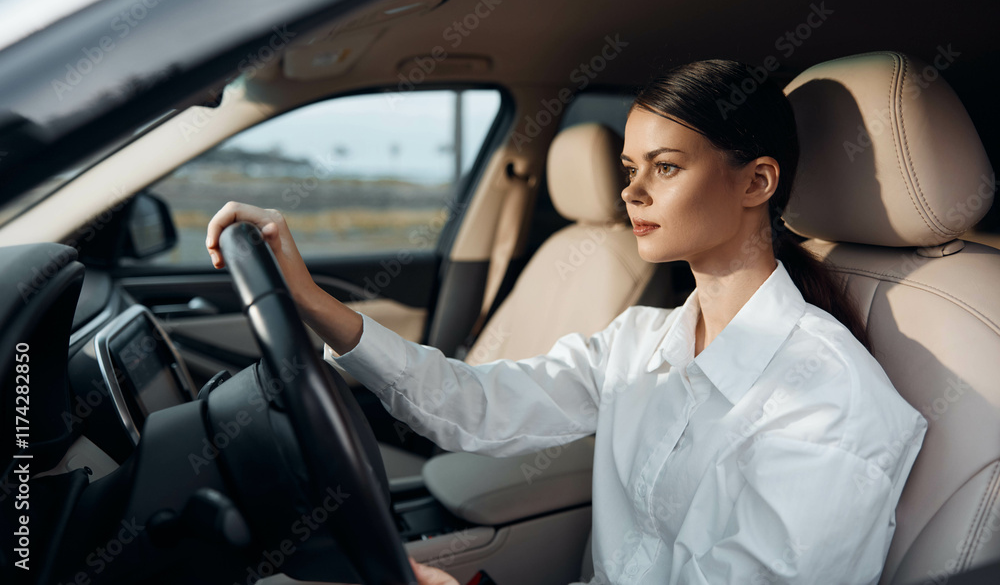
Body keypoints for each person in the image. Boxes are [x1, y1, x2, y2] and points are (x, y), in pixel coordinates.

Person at [206, 60, 927, 584]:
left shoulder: (829, 403)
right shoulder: (640, 340)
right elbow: (473, 407)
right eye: (628, 165)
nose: (631, 190)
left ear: (757, 181)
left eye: (666, 167)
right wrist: (313, 303)